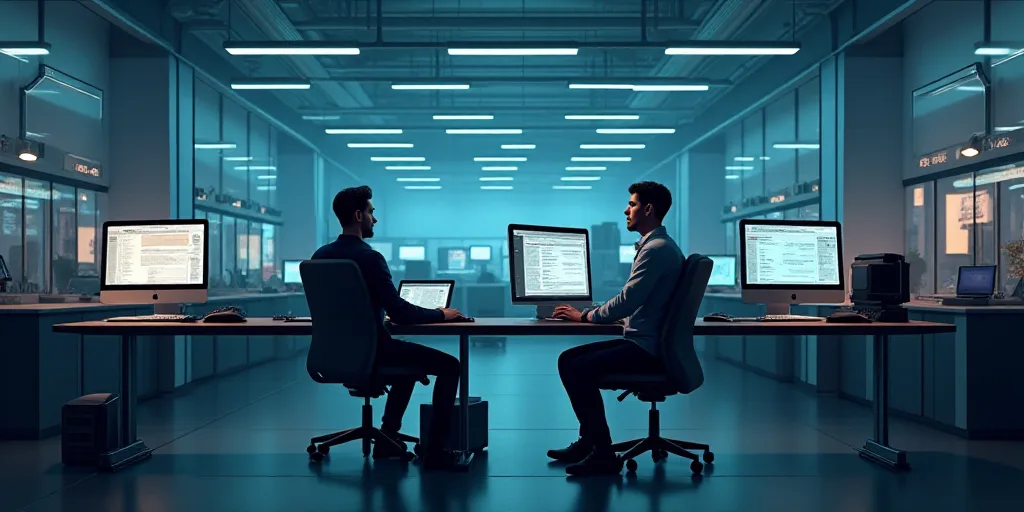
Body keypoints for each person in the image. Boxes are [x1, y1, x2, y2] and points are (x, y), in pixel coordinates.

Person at [311, 185, 466, 470]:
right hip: (374, 352)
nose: (375, 219)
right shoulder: (370, 258)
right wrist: (441, 314)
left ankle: (388, 436)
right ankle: (435, 450)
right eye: (371, 213)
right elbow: (400, 312)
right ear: (359, 216)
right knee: (450, 366)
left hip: (331, 354)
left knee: (405, 363)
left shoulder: (320, 256)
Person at [547, 181, 684, 476]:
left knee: (575, 367)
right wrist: (598, 312)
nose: (626, 210)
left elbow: (626, 302)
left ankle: (603, 454)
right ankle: (590, 443)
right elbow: (637, 303)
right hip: (646, 341)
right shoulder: (660, 247)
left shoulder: (656, 250)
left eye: (632, 204)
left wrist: (585, 317)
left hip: (645, 349)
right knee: (569, 359)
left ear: (648, 209)